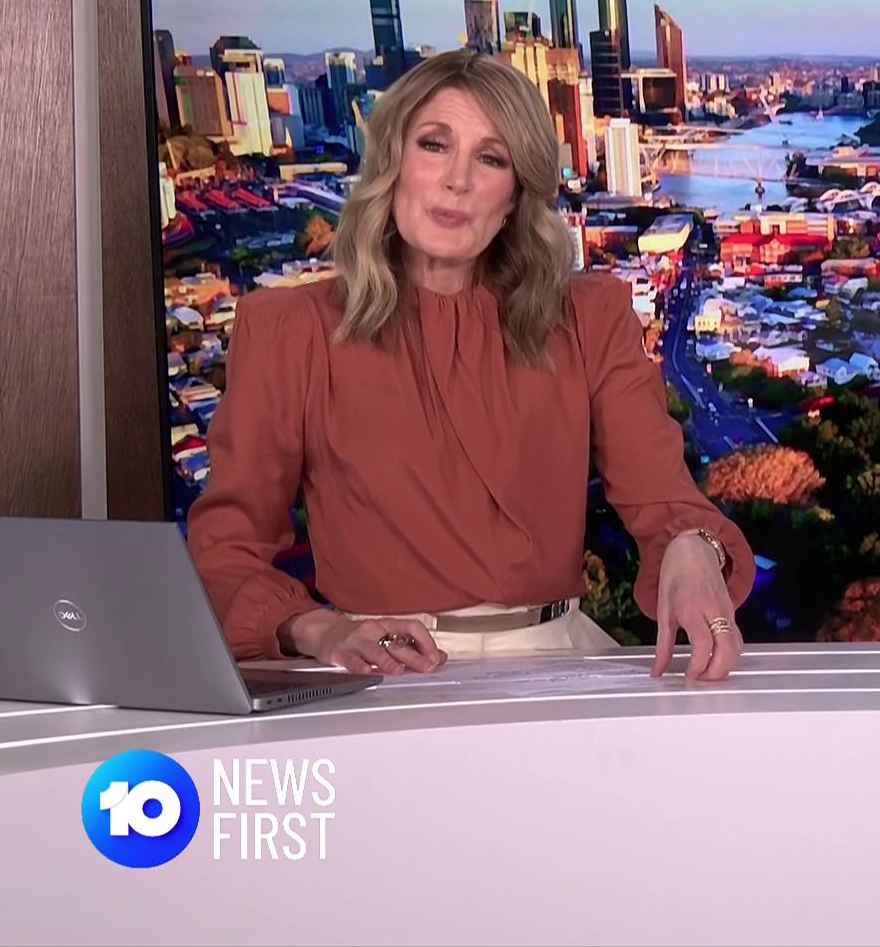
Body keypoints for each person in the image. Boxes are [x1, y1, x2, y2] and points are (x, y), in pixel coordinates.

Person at [188, 50, 754, 681]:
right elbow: (225, 551)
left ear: (514, 195)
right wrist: (318, 629)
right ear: (392, 163)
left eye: (491, 158)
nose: (457, 180)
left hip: (554, 669)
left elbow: (663, 499)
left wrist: (692, 547)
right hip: (380, 673)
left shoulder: (589, 318)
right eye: (434, 145)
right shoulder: (293, 331)